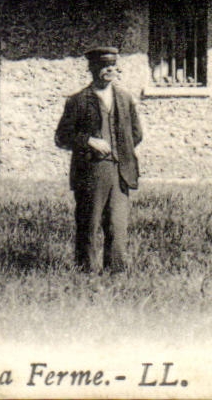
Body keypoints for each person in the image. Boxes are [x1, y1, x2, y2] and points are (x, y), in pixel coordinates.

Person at [55, 47, 143, 273]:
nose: (110, 70)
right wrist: (88, 141)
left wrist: (121, 150)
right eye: (104, 66)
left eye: (113, 65)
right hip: (91, 170)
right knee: (90, 223)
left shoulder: (124, 98)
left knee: (118, 224)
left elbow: (137, 134)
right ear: (92, 68)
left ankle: (116, 272)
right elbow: (62, 137)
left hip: (121, 170)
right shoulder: (78, 100)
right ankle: (87, 272)